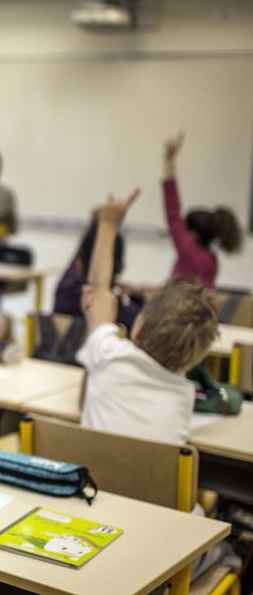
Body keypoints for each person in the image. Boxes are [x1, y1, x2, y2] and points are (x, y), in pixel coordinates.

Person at [78, 188, 218, 446]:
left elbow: (99, 288)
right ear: (194, 360)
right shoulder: (184, 397)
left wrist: (108, 225)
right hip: (148, 486)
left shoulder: (109, 355)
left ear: (138, 327)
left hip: (90, 484)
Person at [162, 132, 242, 288]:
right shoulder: (212, 261)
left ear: (193, 234)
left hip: (177, 312)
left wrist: (168, 159)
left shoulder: (187, 251)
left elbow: (173, 210)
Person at [53, 219, 143, 331]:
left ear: (79, 264)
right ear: (122, 267)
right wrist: (138, 296)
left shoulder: (66, 293)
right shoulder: (128, 317)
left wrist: (102, 221)